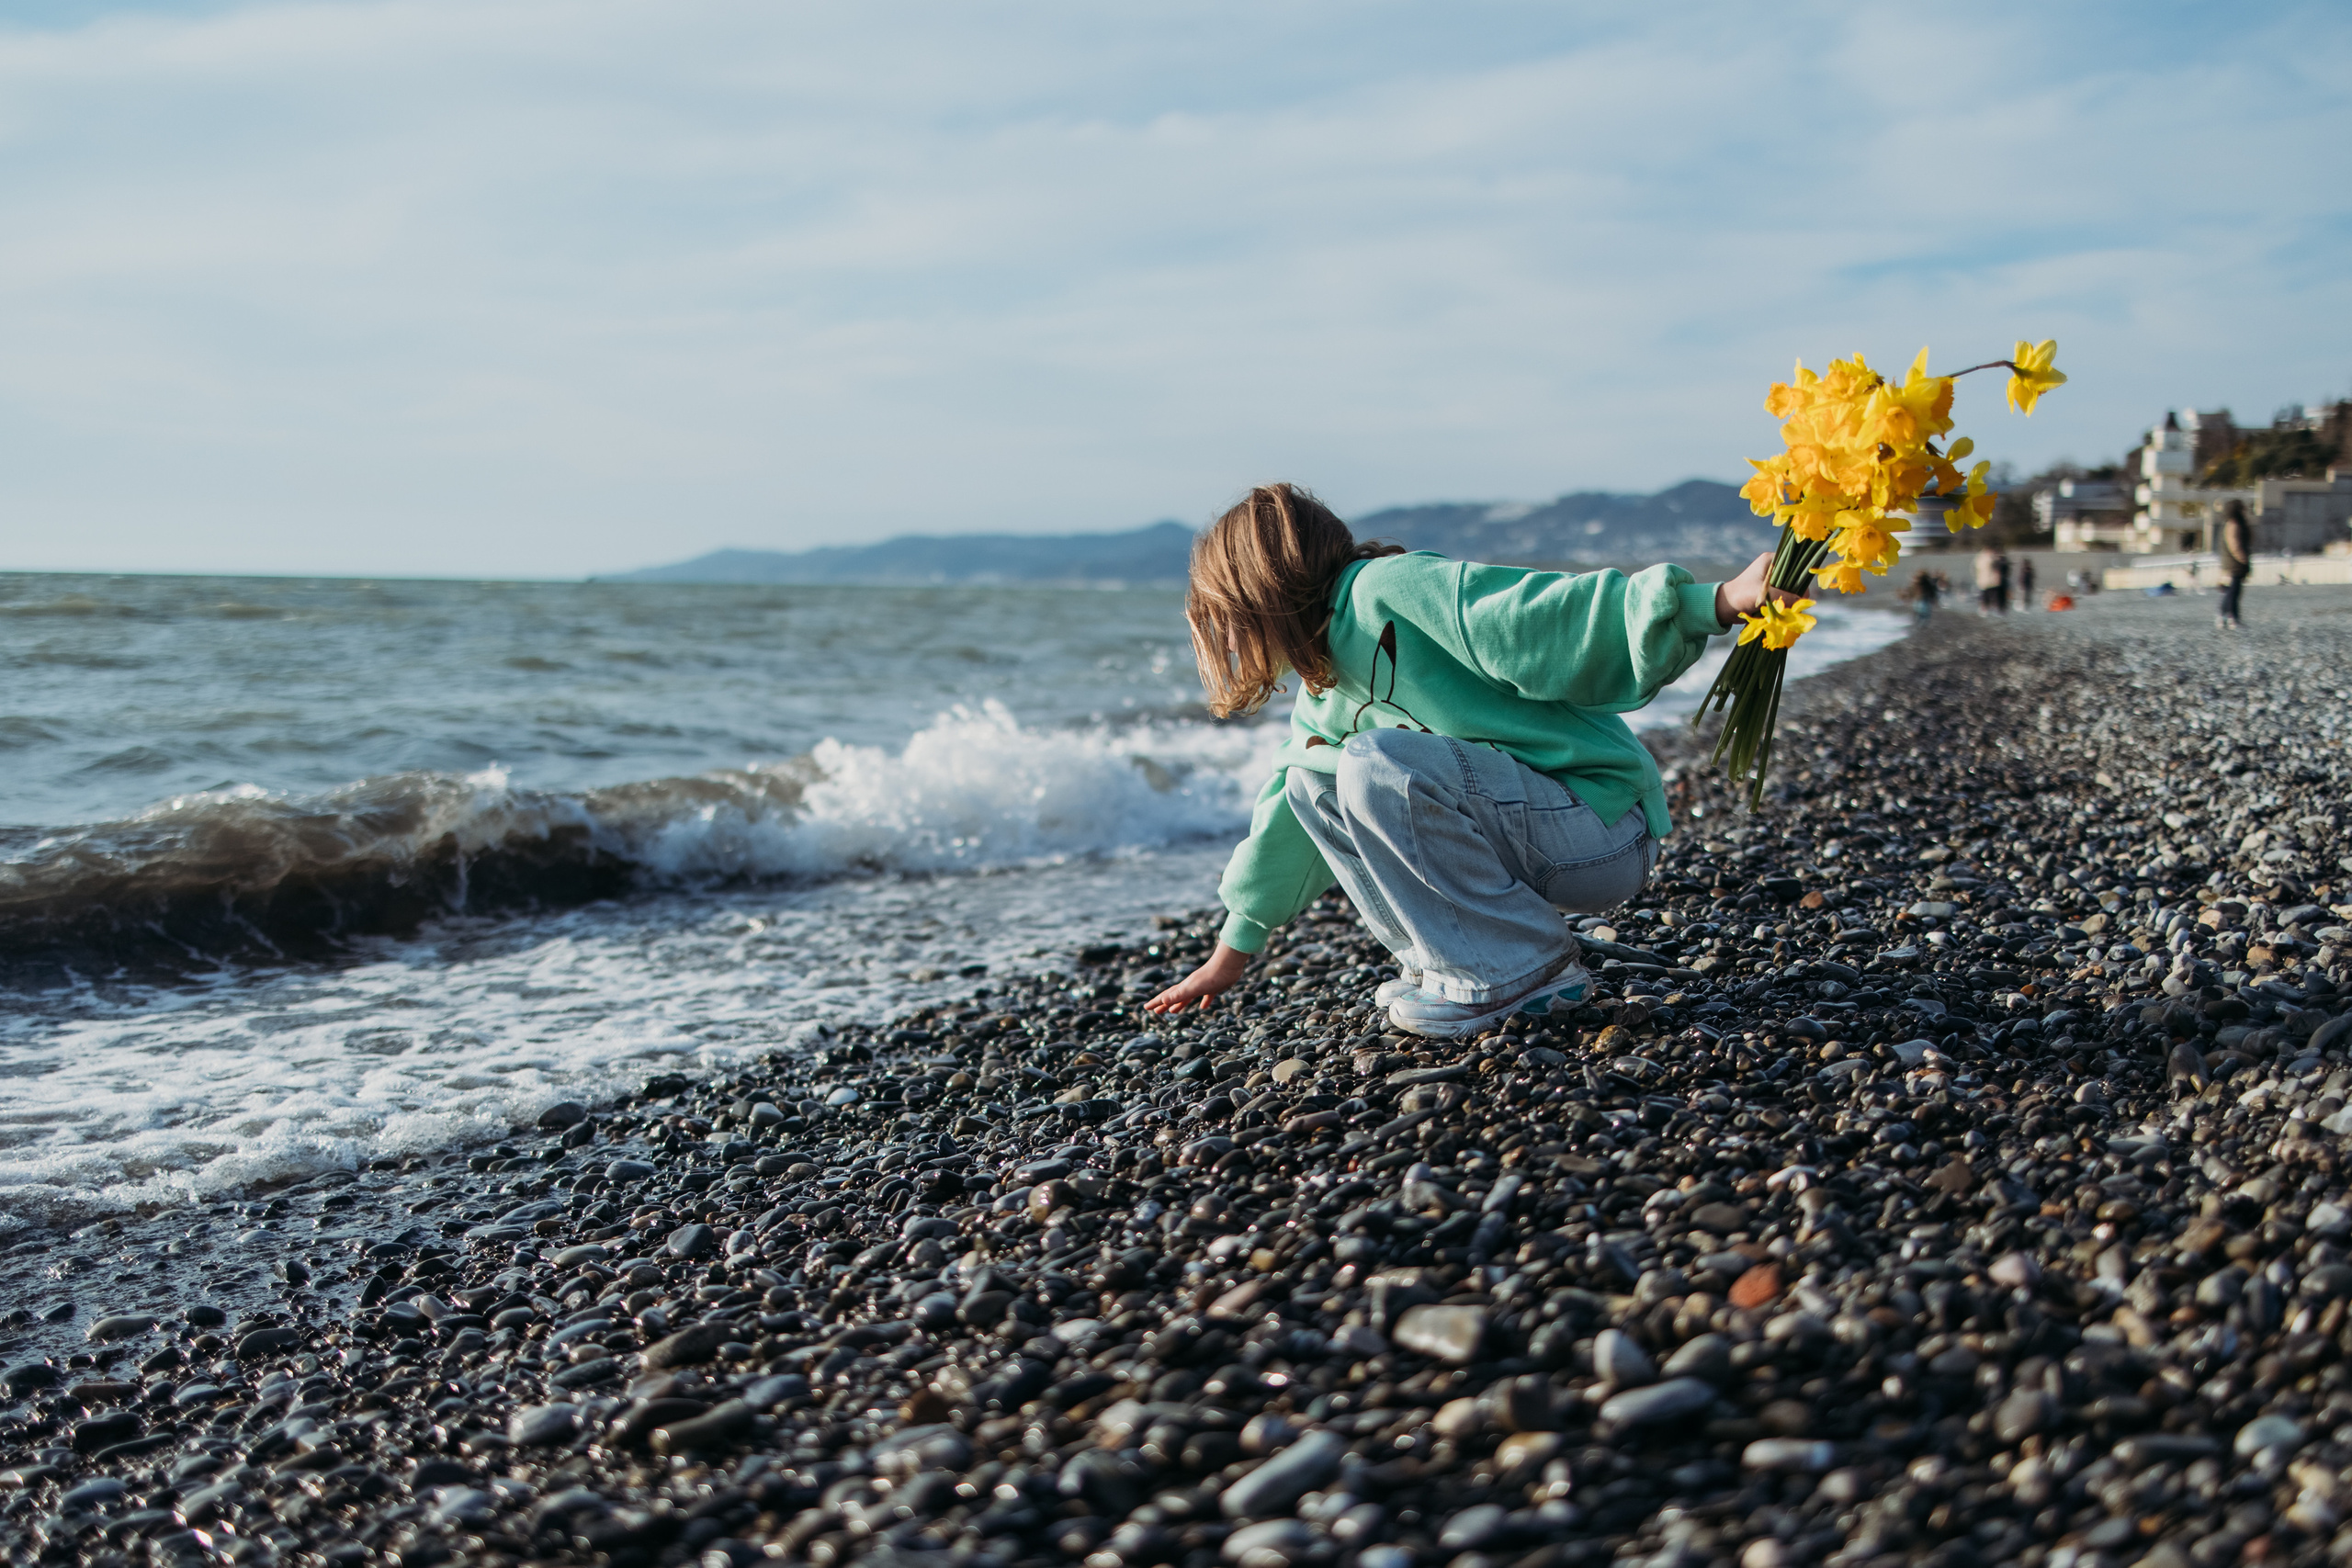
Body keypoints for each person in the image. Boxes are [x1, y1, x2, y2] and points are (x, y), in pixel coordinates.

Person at [1144, 483, 1779, 1039]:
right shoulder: (1323, 687)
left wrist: (1715, 601)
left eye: (1224, 615)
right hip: (1532, 838)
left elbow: (1541, 617)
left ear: (1258, 590)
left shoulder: (1390, 589)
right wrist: (1229, 956)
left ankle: (1517, 968)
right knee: (1314, 780)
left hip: (1601, 829)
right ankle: (1448, 959)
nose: (1227, 638)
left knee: (1374, 760)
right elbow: (1285, 827)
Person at [2217, 498, 2252, 629]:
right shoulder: (2234, 524)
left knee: (2230, 592)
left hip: (2230, 564)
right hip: (2234, 565)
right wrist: (2243, 559)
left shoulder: (2229, 523)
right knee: (2233, 592)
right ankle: (2231, 618)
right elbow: (2235, 545)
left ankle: (2224, 617)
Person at [1974, 547, 2003, 615]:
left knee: (1986, 595)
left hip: (1984, 582)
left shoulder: (1979, 558)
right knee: (1991, 595)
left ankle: (1985, 608)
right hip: (1990, 581)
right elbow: (1996, 569)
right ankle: (1992, 608)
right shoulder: (1991, 559)